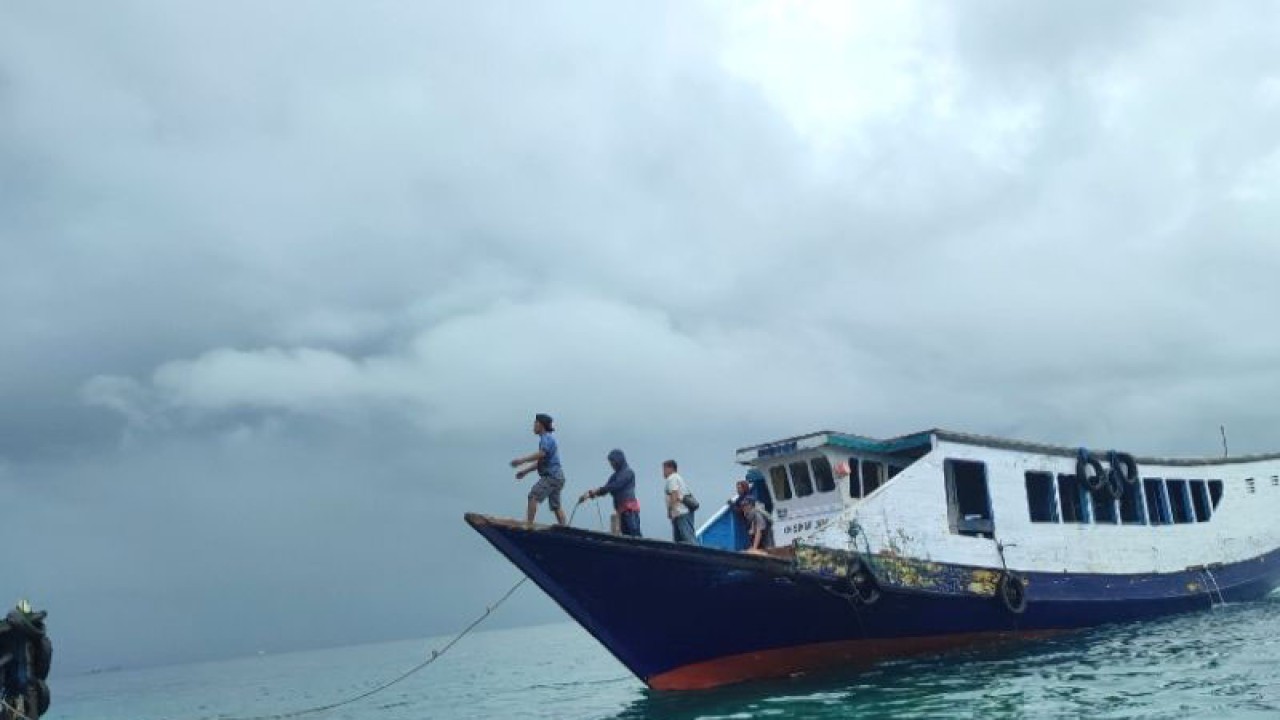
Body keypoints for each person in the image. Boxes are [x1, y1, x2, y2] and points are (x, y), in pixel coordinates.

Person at [510, 413, 567, 525]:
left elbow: (541, 454)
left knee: (533, 496)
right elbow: (540, 462)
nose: (533, 426)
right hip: (558, 477)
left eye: (535, 423)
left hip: (552, 476)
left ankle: (529, 525)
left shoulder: (546, 439)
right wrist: (525, 472)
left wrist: (522, 460)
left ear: (541, 425)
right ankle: (565, 528)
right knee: (556, 506)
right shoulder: (547, 439)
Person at [580, 449, 641, 537]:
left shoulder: (628, 472)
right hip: (620, 511)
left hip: (630, 510)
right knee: (625, 535)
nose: (611, 464)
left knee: (634, 534)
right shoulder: (614, 476)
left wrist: (598, 490)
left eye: (612, 461)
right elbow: (605, 489)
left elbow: (615, 485)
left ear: (619, 460)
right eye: (610, 462)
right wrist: (590, 494)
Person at [662, 459, 696, 544]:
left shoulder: (672, 478)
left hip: (681, 513)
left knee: (687, 537)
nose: (663, 472)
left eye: (664, 469)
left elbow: (674, 494)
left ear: (670, 468)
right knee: (680, 540)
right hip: (682, 513)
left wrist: (673, 511)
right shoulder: (678, 478)